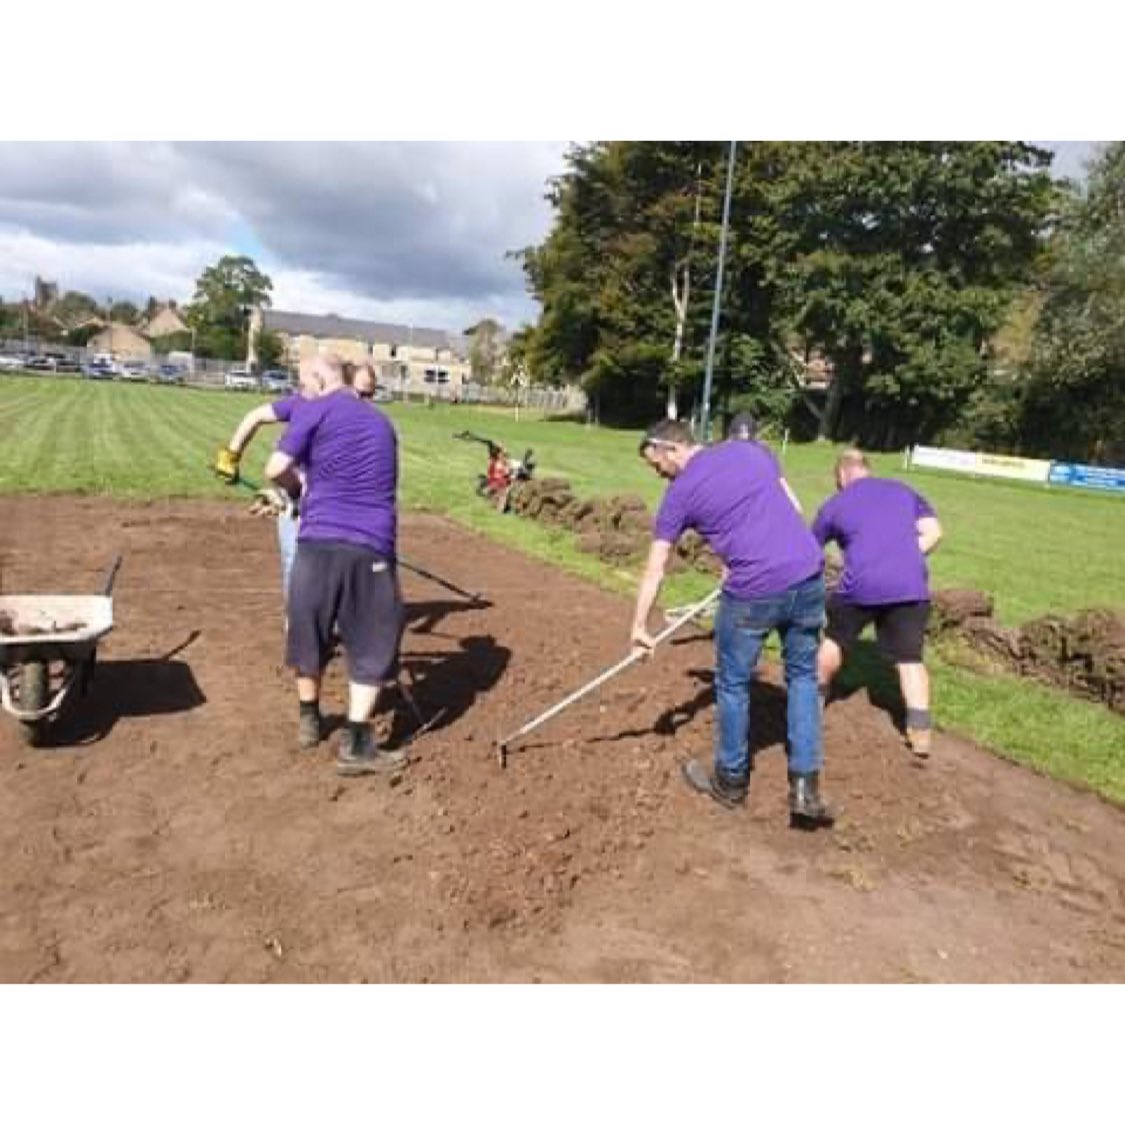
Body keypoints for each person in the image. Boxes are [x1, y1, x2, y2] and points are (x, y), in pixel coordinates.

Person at [631, 419, 834, 827]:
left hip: (754, 592)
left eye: (657, 464)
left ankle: (730, 781)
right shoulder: (752, 451)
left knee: (733, 683)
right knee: (803, 679)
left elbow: (657, 566)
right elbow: (790, 510)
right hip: (808, 576)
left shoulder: (679, 495)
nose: (658, 473)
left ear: (671, 448)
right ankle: (804, 788)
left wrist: (639, 626)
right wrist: (739, 554)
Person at [264, 353, 405, 777]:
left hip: (317, 542)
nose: (301, 390)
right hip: (370, 543)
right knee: (372, 638)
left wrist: (296, 494)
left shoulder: (314, 410)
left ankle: (309, 719)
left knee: (309, 629)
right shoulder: (382, 423)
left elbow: (275, 468)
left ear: (321, 377)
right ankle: (356, 741)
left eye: (305, 381)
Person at [813, 449, 943, 759]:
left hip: (861, 584)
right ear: (867, 470)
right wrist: (904, 556)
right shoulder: (903, 491)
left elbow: (810, 548)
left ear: (842, 476)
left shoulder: (835, 504)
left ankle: (814, 699)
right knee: (910, 658)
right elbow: (935, 533)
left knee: (834, 640)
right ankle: (920, 731)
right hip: (911, 586)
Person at [216, 363, 322, 602]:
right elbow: (254, 417)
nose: (301, 389)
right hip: (297, 493)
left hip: (318, 496)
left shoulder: (332, 411)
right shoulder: (299, 403)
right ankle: (298, 619)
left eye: (304, 384)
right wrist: (231, 456)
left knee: (311, 563)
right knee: (295, 559)